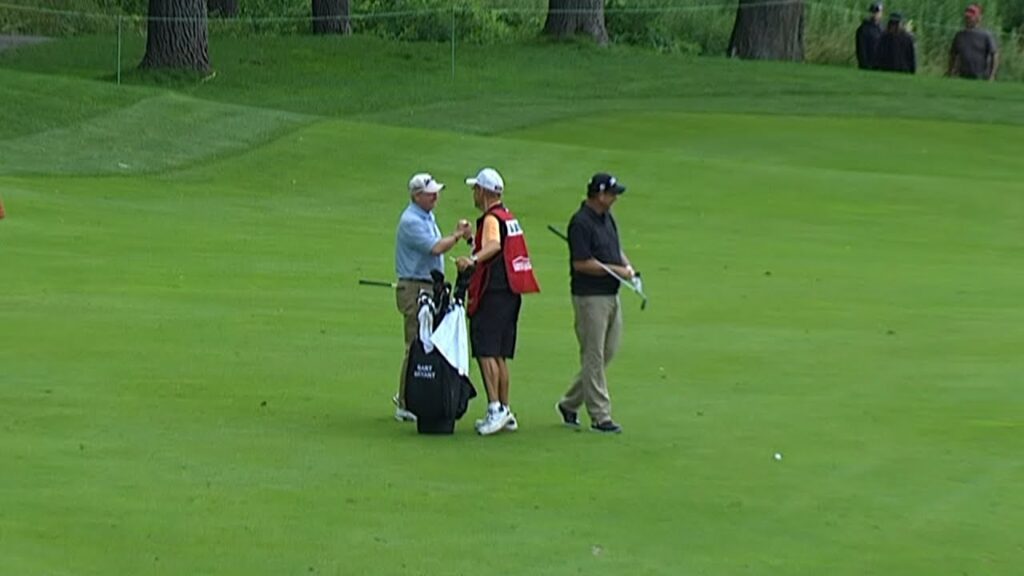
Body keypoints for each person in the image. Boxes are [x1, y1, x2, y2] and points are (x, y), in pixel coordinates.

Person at [456, 168, 540, 436]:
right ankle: (504, 409)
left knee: (486, 350)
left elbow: (493, 247)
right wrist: (471, 239)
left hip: (493, 291)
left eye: (475, 189)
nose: (473, 194)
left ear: (483, 191)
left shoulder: (492, 219)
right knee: (500, 353)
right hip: (510, 291)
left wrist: (472, 260)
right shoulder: (507, 217)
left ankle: (495, 408)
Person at [556, 173, 636, 434]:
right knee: (594, 355)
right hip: (590, 299)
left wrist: (626, 266)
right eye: (612, 194)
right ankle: (601, 416)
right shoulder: (580, 223)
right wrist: (616, 270)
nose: (615, 198)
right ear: (599, 195)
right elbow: (581, 263)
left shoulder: (606, 218)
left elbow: (615, 248)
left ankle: (569, 403)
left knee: (606, 353)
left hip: (611, 295)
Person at [393, 173, 471, 422]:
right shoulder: (411, 221)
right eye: (430, 193)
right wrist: (457, 235)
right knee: (415, 345)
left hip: (427, 287)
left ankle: (416, 395)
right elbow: (436, 247)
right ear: (417, 196)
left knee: (426, 343)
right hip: (415, 289)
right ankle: (405, 401)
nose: (436, 196)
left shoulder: (426, 216)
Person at [948, 4, 999, 80]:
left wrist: (992, 75)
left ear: (978, 18)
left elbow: (994, 55)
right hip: (962, 77)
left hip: (981, 78)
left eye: (970, 17)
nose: (967, 19)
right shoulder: (959, 35)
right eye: (966, 17)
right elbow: (953, 55)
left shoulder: (986, 35)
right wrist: (950, 71)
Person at [855, 2, 885, 70]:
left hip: (880, 64)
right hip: (868, 63)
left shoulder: (883, 28)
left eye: (877, 12)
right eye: (874, 12)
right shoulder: (864, 28)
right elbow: (861, 49)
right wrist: (864, 64)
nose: (875, 14)